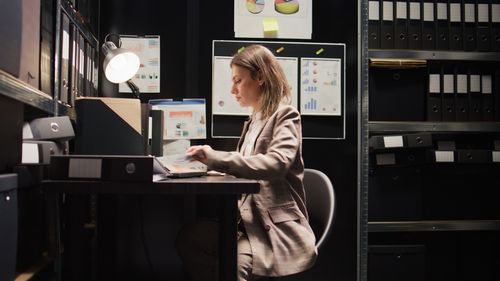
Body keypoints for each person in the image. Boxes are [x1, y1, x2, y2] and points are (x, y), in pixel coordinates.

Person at [175, 44, 317, 281]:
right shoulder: (252, 121)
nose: (233, 89)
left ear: (260, 76)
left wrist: (217, 158)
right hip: (244, 222)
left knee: (235, 265)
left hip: (269, 227)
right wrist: (211, 168)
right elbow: (249, 166)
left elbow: (276, 163)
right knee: (189, 238)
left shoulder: (285, 115)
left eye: (238, 80)